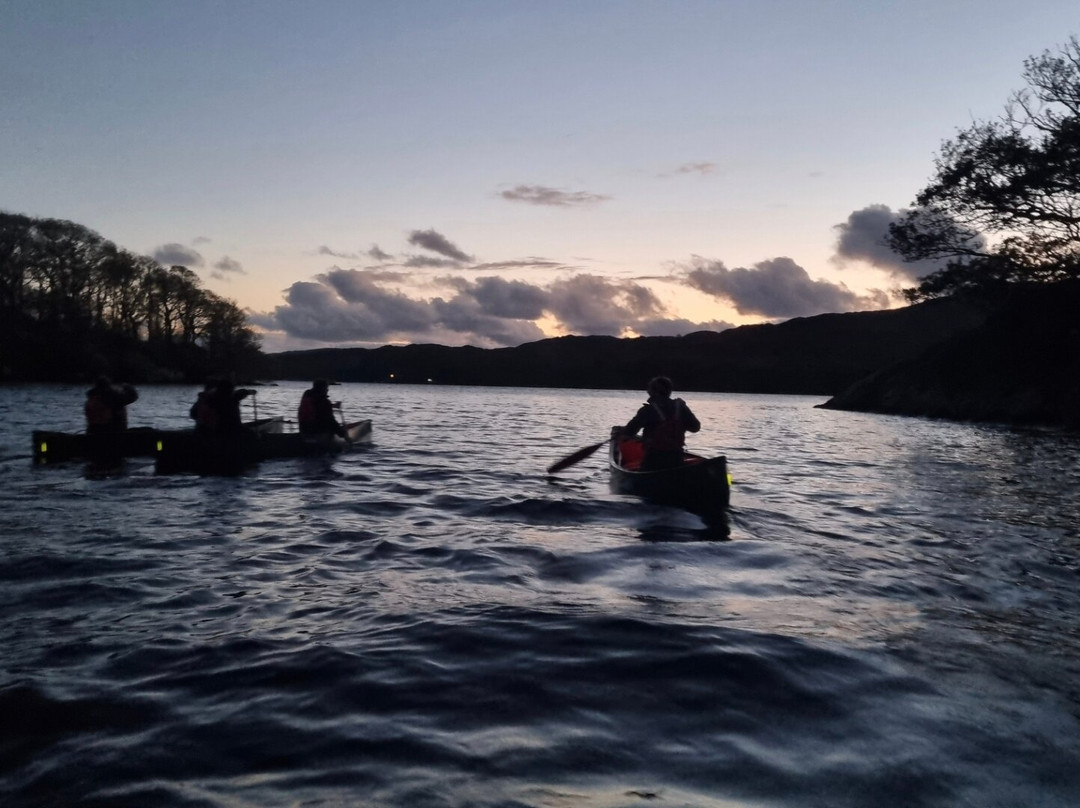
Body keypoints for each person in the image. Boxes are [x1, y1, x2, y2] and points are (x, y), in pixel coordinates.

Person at [616, 376, 700, 470]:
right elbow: (695, 428)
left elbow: (629, 432)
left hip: (654, 460)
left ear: (653, 391)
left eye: (649, 389)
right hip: (677, 458)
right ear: (669, 391)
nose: (647, 391)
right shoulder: (681, 408)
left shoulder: (647, 410)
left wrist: (620, 432)